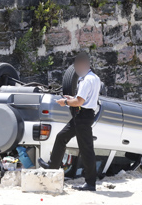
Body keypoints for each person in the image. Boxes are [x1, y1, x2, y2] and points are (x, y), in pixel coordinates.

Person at [39, 53, 101, 191]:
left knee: (86, 150)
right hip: (84, 115)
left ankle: (90, 183)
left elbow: (79, 102)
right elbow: (83, 98)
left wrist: (65, 102)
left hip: (82, 115)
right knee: (62, 137)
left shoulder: (86, 80)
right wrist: (72, 98)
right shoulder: (95, 78)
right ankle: (53, 166)